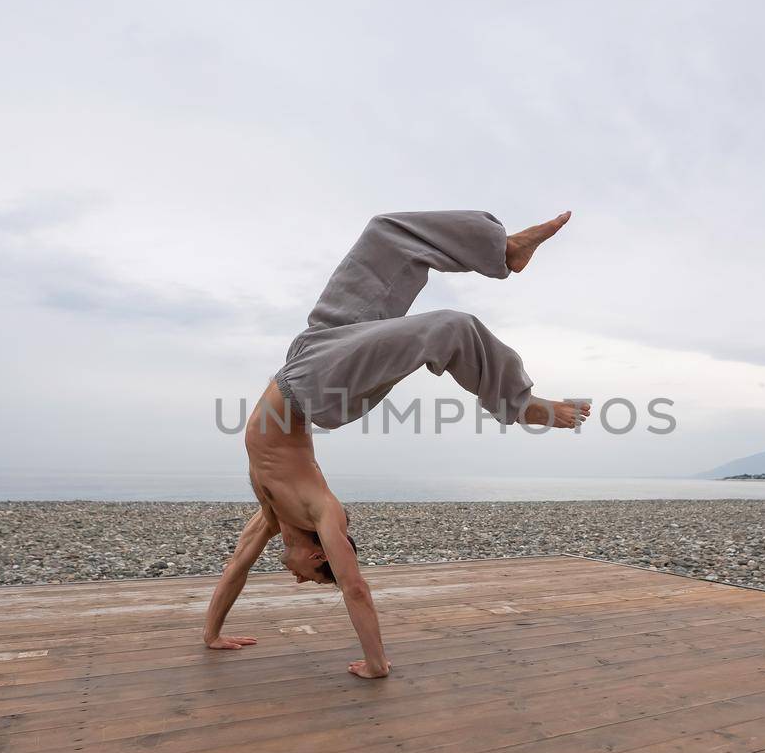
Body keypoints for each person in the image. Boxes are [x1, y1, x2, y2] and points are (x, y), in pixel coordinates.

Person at [200, 210, 591, 678]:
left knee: (414, 274)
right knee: (423, 290)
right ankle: (520, 392)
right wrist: (376, 662)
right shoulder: (321, 514)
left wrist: (211, 634)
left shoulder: (271, 515)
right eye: (308, 576)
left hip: (306, 367)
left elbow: (237, 567)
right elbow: (356, 588)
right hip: (314, 382)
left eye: (300, 580)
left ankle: (505, 282)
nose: (297, 579)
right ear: (320, 554)